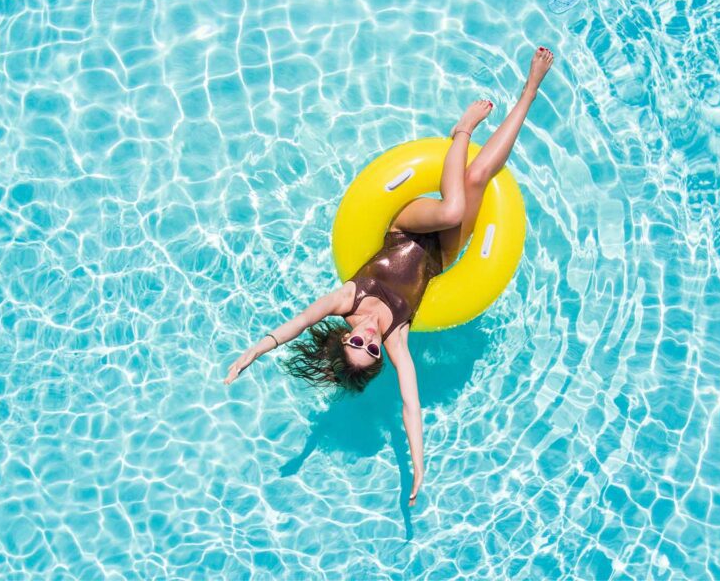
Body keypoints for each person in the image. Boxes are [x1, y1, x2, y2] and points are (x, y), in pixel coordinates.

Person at [224, 47, 555, 506]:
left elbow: (293, 326)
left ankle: (461, 130)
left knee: (455, 205)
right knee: (480, 175)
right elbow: (410, 406)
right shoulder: (397, 337)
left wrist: (253, 353)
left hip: (404, 227)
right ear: (379, 353)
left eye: (354, 343)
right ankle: (531, 89)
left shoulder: (346, 299)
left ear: (344, 337)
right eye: (370, 350)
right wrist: (419, 465)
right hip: (441, 253)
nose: (366, 339)